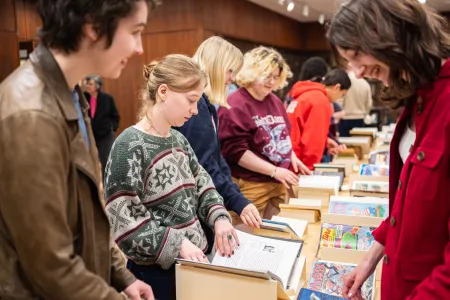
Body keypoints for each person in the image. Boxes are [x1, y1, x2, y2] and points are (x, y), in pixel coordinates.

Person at [0, 0, 159, 299]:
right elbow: (50, 265)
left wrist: (120, 275)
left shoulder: (71, 94)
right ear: (94, 26)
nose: (139, 48)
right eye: (135, 31)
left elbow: (87, 213)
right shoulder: (32, 115)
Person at [327, 0, 450, 299]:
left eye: (356, 56)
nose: (356, 73)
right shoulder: (416, 95)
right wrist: (372, 256)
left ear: (387, 37)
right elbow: (409, 201)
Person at [104, 54, 238, 300]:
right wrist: (176, 244)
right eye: (191, 100)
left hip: (192, 264)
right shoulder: (129, 146)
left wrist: (219, 217)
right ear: (164, 91)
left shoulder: (178, 139)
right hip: (156, 275)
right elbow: (124, 222)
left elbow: (202, 184)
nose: (195, 110)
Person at [174, 36, 262, 240]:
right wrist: (236, 199)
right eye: (230, 71)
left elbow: (215, 157)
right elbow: (203, 164)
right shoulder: (197, 108)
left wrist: (233, 192)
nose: (232, 79)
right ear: (216, 64)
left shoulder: (205, 104)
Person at [218, 46, 311, 223]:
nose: (271, 82)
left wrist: (291, 156)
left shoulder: (274, 100)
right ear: (252, 72)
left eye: (275, 77)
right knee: (245, 238)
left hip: (277, 183)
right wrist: (274, 170)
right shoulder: (235, 103)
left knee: (275, 236)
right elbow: (236, 152)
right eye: (267, 76)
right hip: (250, 185)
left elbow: (281, 136)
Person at [287, 64, 352, 170]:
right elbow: (312, 141)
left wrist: (325, 141)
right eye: (342, 94)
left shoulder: (309, 94)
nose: (340, 98)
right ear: (337, 87)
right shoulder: (321, 101)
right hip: (298, 162)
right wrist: (309, 170)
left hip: (289, 155)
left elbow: (304, 129)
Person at [83, 74, 120, 176]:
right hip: (90, 135)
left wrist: (112, 128)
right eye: (86, 84)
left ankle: (107, 186)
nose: (87, 86)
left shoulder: (107, 98)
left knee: (106, 161)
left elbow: (115, 115)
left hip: (105, 135)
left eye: (90, 84)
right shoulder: (83, 98)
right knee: (90, 161)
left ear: (97, 86)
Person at [338, 68, 373, 137]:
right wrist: (365, 112)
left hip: (345, 118)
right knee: (359, 144)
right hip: (360, 118)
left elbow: (340, 102)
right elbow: (369, 103)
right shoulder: (366, 84)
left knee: (345, 144)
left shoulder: (345, 84)